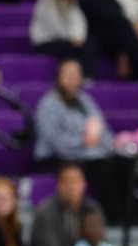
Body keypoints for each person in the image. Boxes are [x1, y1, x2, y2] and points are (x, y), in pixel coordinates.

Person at [33, 61, 120, 211]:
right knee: (100, 166)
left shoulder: (84, 100)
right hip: (56, 157)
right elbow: (53, 140)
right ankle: (110, 215)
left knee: (120, 162)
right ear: (58, 78)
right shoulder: (49, 104)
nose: (73, 79)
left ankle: (128, 215)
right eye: (68, 75)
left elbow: (100, 126)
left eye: (76, 75)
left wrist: (111, 143)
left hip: (87, 153)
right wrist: (82, 142)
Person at [29, 161, 103, 246]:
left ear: (84, 184)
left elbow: (100, 242)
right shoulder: (45, 212)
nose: (71, 187)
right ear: (58, 184)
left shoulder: (92, 209)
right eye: (66, 182)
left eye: (75, 181)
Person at [31, 0, 95, 71]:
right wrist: (72, 38)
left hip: (65, 40)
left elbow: (79, 21)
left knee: (90, 44)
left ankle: (87, 77)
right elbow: (55, 26)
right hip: (46, 41)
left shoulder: (69, 0)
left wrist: (78, 36)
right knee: (73, 49)